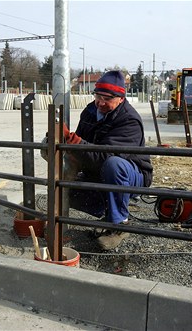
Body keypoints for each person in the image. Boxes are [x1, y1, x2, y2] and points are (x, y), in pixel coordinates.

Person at [63, 70, 153, 250]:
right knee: (67, 190)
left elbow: (105, 156)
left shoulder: (129, 120)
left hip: (132, 174)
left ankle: (119, 225)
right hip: (99, 169)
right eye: (98, 96)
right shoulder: (90, 111)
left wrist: (73, 141)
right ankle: (107, 209)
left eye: (107, 99)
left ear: (120, 98)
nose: (101, 103)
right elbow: (81, 148)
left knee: (114, 165)